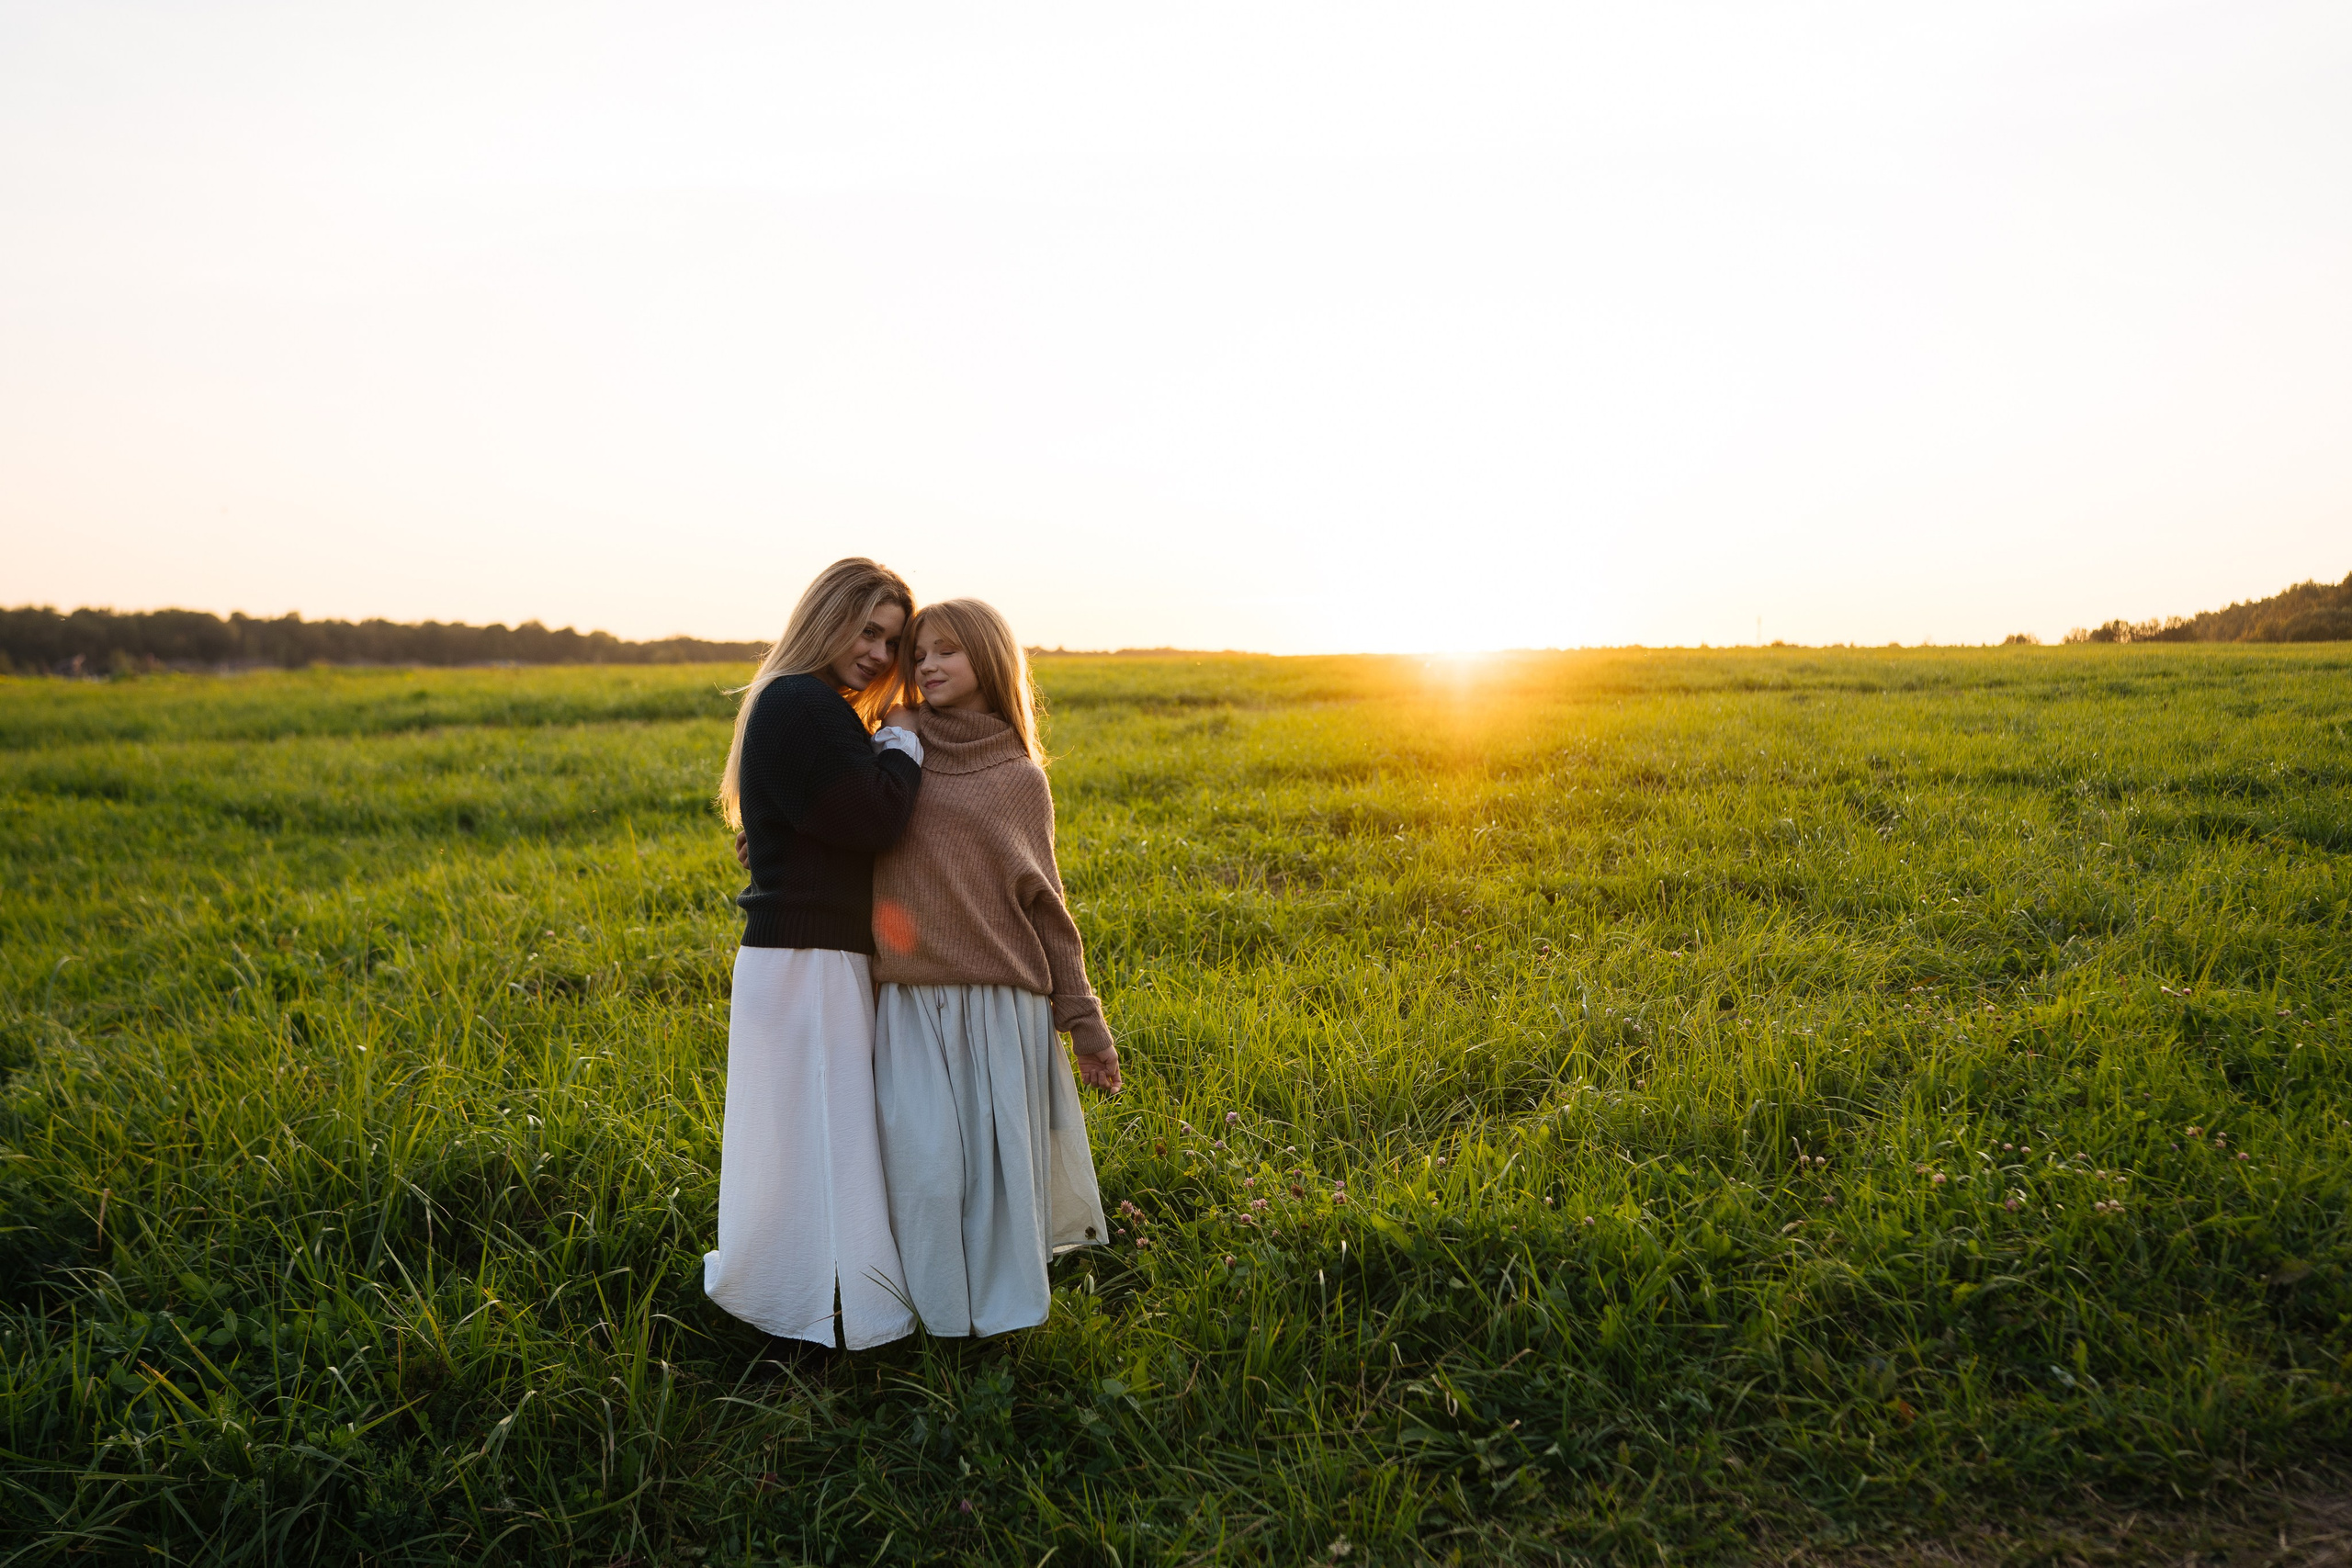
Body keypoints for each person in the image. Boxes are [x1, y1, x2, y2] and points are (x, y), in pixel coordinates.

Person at [866, 598, 1119, 1338]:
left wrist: (1085, 1020)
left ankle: (996, 1322)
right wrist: (775, 834)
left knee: (992, 1177)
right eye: (918, 655)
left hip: (1002, 1002)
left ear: (987, 659)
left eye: (946, 652)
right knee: (924, 1168)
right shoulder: (894, 745)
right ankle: (928, 1315)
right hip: (909, 1001)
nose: (927, 666)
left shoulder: (1019, 775)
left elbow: (1048, 906)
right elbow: (838, 813)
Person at [704, 558, 925, 1351]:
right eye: (867, 630)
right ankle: (827, 1315)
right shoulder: (803, 702)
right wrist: (901, 740)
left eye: (892, 641)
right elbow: (871, 819)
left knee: (798, 1141)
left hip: (799, 955)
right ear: (826, 615)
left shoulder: (806, 702)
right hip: (808, 959)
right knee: (828, 1137)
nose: (878, 654)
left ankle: (794, 1305)